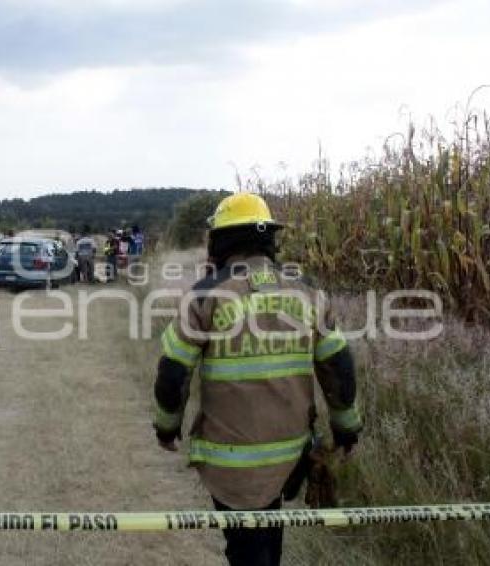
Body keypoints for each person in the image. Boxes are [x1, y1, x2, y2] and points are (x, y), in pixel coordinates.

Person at [152, 193, 362, 566]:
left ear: (221, 240)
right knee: (267, 540)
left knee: (248, 551)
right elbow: (339, 368)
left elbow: (173, 373)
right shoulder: (308, 292)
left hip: (231, 465)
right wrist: (347, 427)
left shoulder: (205, 296)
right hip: (292, 454)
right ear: (268, 239)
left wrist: (167, 427)